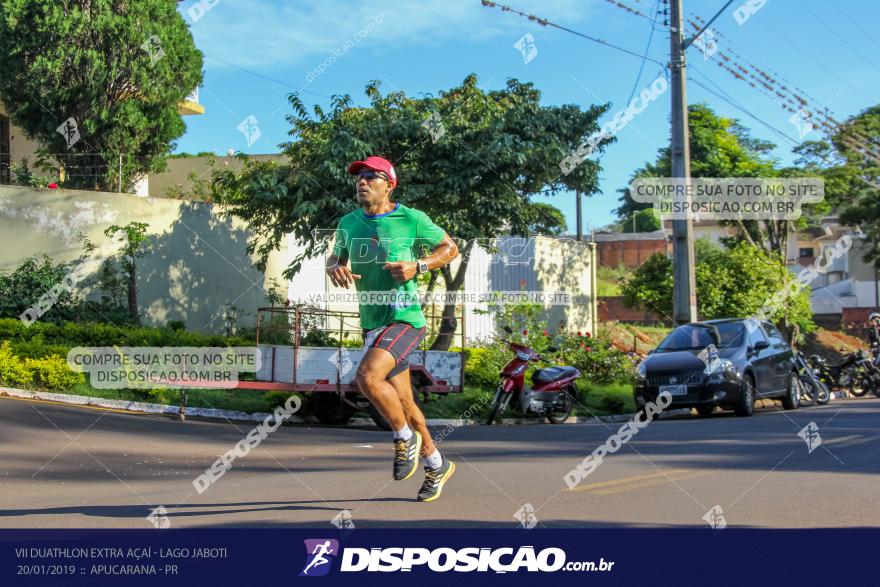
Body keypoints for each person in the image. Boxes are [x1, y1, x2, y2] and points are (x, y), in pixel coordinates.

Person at [325, 155, 459, 502]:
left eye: (371, 176)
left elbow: (450, 248)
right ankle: (436, 463)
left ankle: (402, 437)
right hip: (373, 323)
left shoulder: (411, 219)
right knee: (404, 400)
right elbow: (335, 258)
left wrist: (421, 265)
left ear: (390, 184)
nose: (362, 182)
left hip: (405, 319)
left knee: (367, 377)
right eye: (359, 177)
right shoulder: (348, 223)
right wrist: (334, 268)